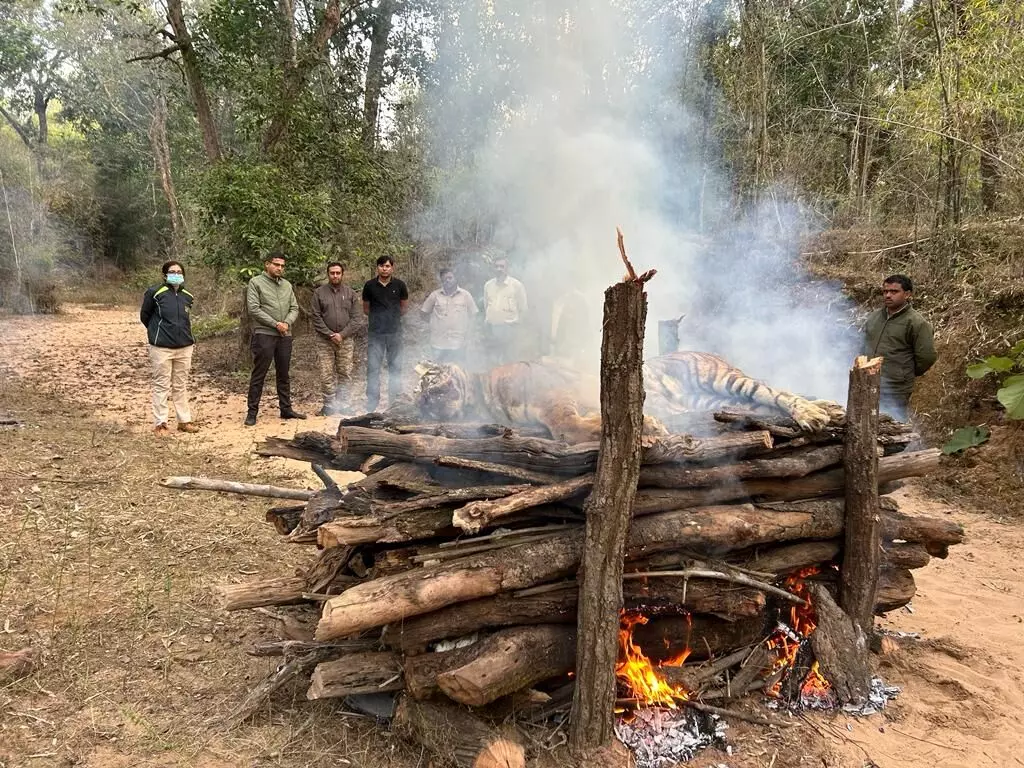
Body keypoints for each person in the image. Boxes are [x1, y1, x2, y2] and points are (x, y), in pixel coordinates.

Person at [863, 274, 937, 421]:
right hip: (869, 381)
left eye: (894, 291)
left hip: (895, 387)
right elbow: (863, 345)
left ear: (907, 294)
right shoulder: (874, 317)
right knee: (867, 419)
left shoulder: (916, 323)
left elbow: (927, 357)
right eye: (885, 291)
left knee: (893, 423)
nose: (888, 295)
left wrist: (904, 372)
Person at [244, 251, 306, 426]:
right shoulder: (256, 282)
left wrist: (286, 323)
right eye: (276, 264)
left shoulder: (286, 285)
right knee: (259, 374)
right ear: (267, 264)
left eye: (282, 266)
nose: (280, 268)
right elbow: (254, 309)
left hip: (285, 335)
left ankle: (286, 409)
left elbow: (294, 308)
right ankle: (252, 412)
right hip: (264, 333)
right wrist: (275, 324)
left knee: (283, 373)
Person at [139, 261, 198, 435]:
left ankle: (184, 421)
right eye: (172, 271)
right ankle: (161, 423)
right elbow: (145, 316)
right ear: (165, 275)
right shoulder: (155, 293)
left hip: (185, 346)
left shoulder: (188, 296)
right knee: (161, 385)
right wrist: (157, 333)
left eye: (179, 272)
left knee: (180, 385)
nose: (176, 274)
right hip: (161, 347)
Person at [311, 261, 364, 416]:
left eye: (338, 273)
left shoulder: (351, 294)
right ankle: (328, 405)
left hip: (345, 340)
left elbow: (357, 318)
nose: (335, 276)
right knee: (326, 373)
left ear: (342, 274)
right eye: (332, 273)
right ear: (328, 274)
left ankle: (344, 404)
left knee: (345, 373)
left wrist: (342, 334)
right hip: (324, 341)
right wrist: (329, 334)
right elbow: (316, 317)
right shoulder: (319, 293)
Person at [362, 255, 409, 411]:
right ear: (377, 268)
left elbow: (404, 308)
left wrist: (391, 318)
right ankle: (372, 403)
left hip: (395, 333)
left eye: (387, 266)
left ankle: (394, 403)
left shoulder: (400, 285)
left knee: (395, 368)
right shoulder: (369, 286)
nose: (384, 269)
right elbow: (366, 309)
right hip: (376, 334)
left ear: (392, 268)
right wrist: (378, 319)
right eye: (382, 266)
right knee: (373, 369)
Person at [420, 267, 478, 363]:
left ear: (455, 278)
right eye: (444, 279)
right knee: (439, 370)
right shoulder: (435, 295)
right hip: (438, 344)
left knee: (458, 369)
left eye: (450, 278)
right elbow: (423, 313)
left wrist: (469, 336)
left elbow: (473, 316)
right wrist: (435, 324)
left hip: (459, 343)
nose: (447, 280)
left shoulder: (465, 295)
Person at [482, 257, 528, 366]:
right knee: (492, 360)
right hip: (492, 329)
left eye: (502, 266)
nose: (499, 269)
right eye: (496, 266)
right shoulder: (488, 285)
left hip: (509, 329)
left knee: (509, 360)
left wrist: (516, 327)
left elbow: (523, 308)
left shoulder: (516, 285)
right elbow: (486, 305)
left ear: (507, 269)